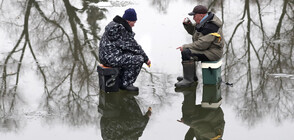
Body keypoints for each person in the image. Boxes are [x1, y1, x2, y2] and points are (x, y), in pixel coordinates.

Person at [99, 8, 151, 91]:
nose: (134, 24)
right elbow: (134, 47)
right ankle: (125, 84)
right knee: (139, 59)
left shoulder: (113, 25)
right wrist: (146, 59)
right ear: (128, 21)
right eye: (134, 22)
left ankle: (120, 80)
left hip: (105, 57)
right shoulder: (122, 30)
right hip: (111, 58)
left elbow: (126, 46)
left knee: (130, 55)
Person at [175, 5, 224, 88]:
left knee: (187, 53)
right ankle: (190, 77)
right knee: (187, 52)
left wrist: (185, 46)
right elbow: (195, 33)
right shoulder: (204, 22)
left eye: (194, 15)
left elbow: (201, 45)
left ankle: (189, 81)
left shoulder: (211, 27)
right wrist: (188, 25)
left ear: (201, 15)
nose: (193, 18)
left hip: (213, 53)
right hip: (208, 50)